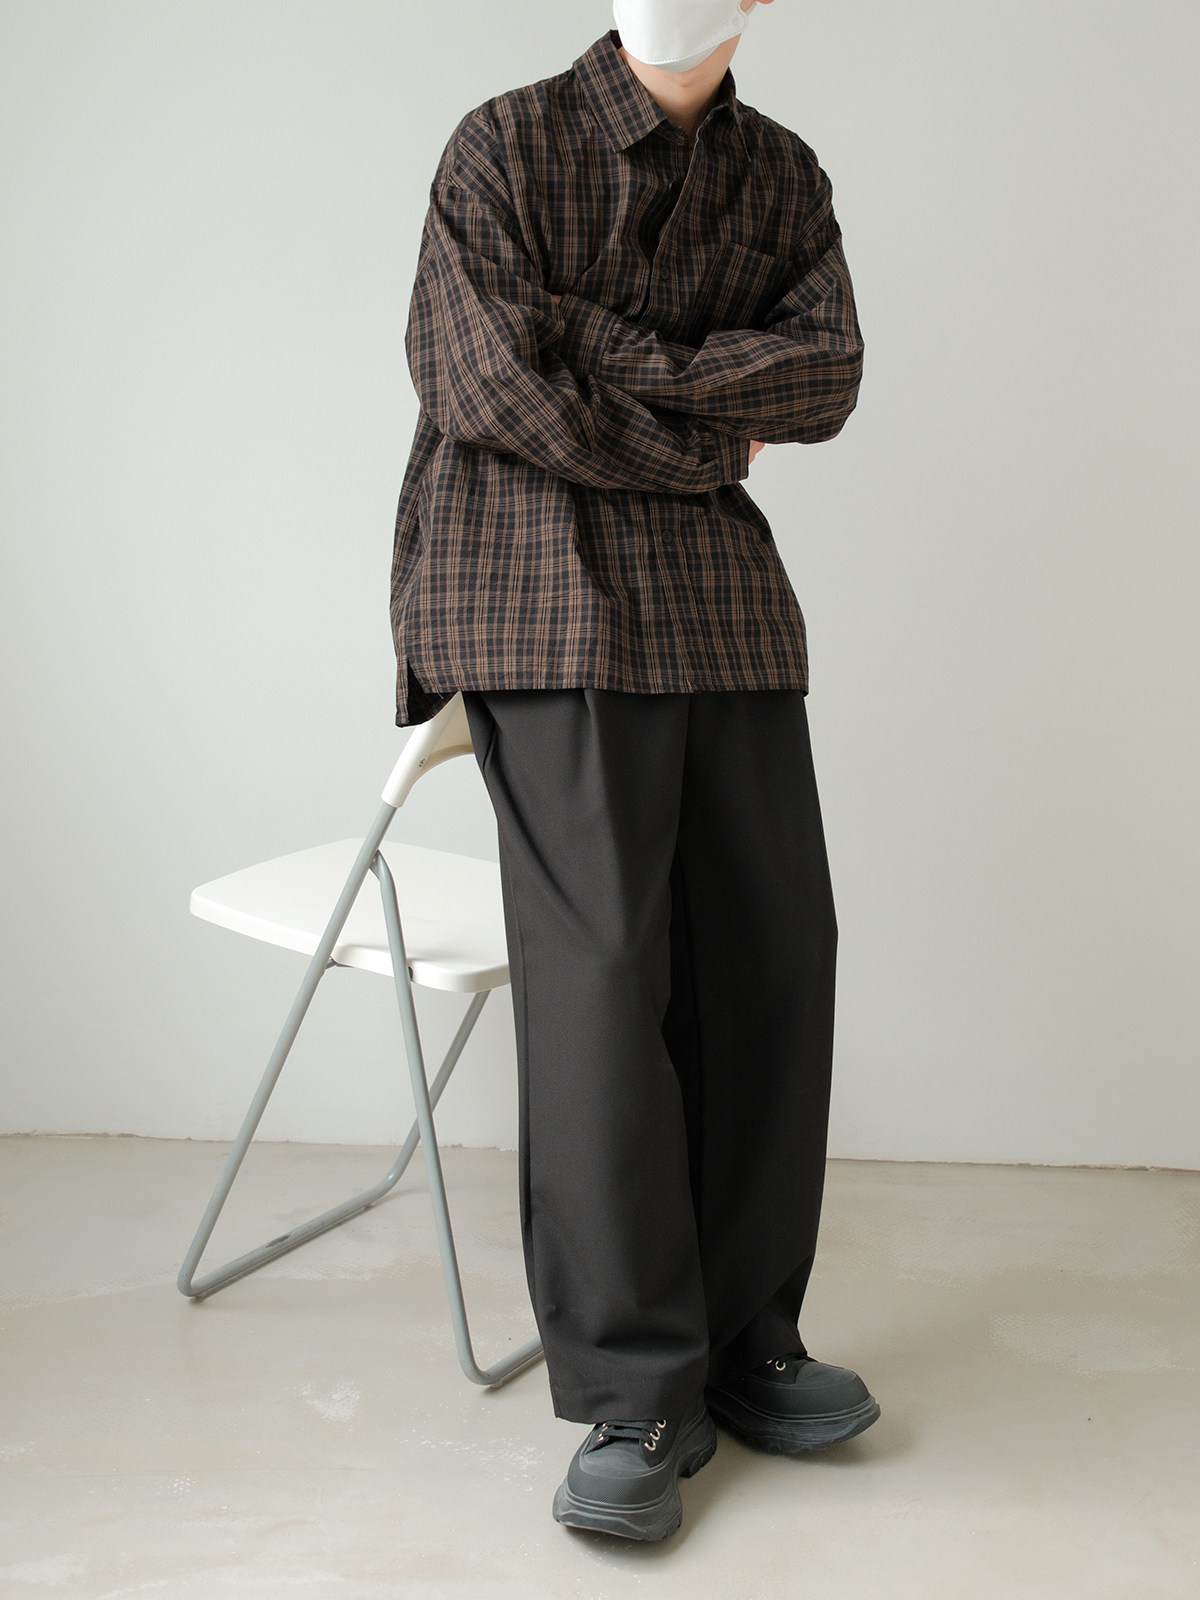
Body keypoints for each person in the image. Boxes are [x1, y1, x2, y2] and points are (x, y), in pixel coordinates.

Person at [389, 0, 878, 1541]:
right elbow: (482, 384)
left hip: (722, 608)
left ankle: (745, 1340)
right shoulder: (503, 145)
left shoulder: (780, 173)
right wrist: (699, 434)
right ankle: (632, 1393)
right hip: (535, 589)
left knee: (777, 957)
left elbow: (823, 379)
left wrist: (597, 345)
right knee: (606, 974)